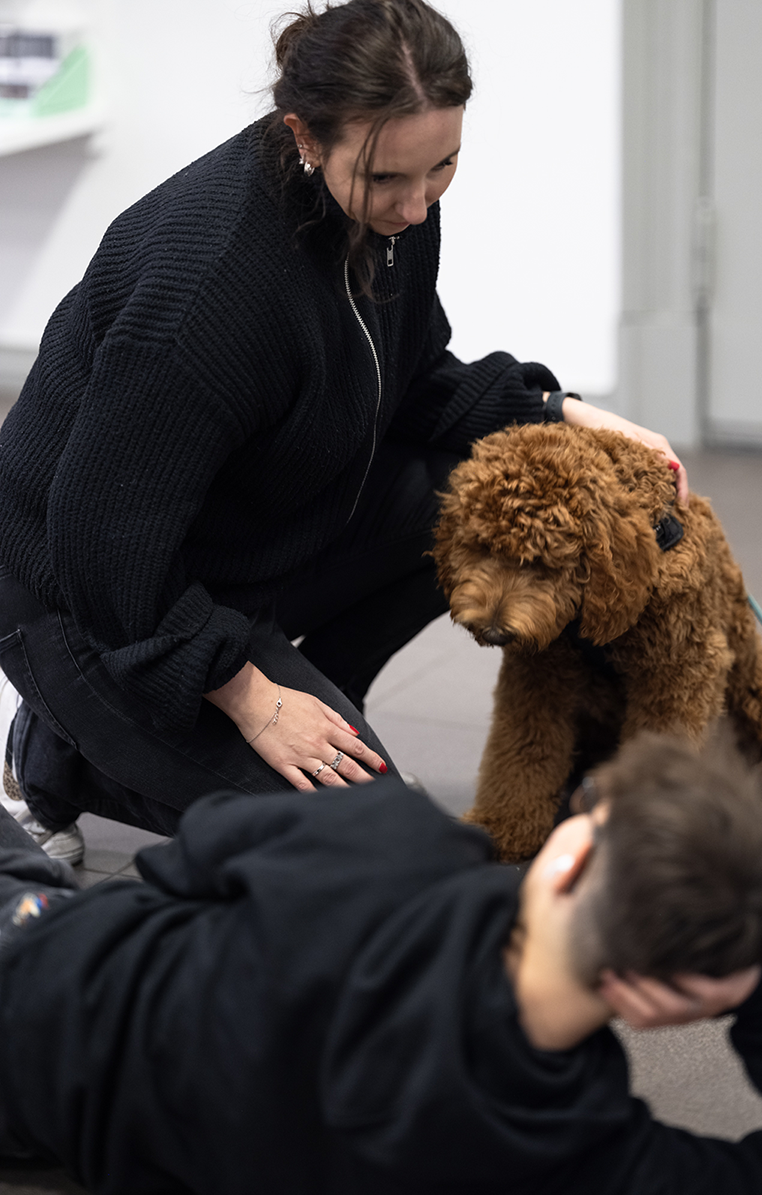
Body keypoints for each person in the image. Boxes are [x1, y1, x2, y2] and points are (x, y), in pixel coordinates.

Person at [0, 0, 688, 857]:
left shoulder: (386, 203)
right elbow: (103, 547)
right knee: (374, 852)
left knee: (466, 491)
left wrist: (569, 415)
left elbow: (411, 381)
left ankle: (320, 711)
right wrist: (253, 699)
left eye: (443, 167)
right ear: (304, 134)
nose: (415, 203)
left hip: (221, 549)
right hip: (90, 603)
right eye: (387, 180)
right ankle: (58, 746)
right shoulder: (208, 288)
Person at [0, 733, 762, 1195]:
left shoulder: (390, 839)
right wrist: (752, 966)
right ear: (668, 1003)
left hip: (49, 965)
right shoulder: (576, 1159)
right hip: (65, 1112)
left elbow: (188, 860)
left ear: (566, 857)